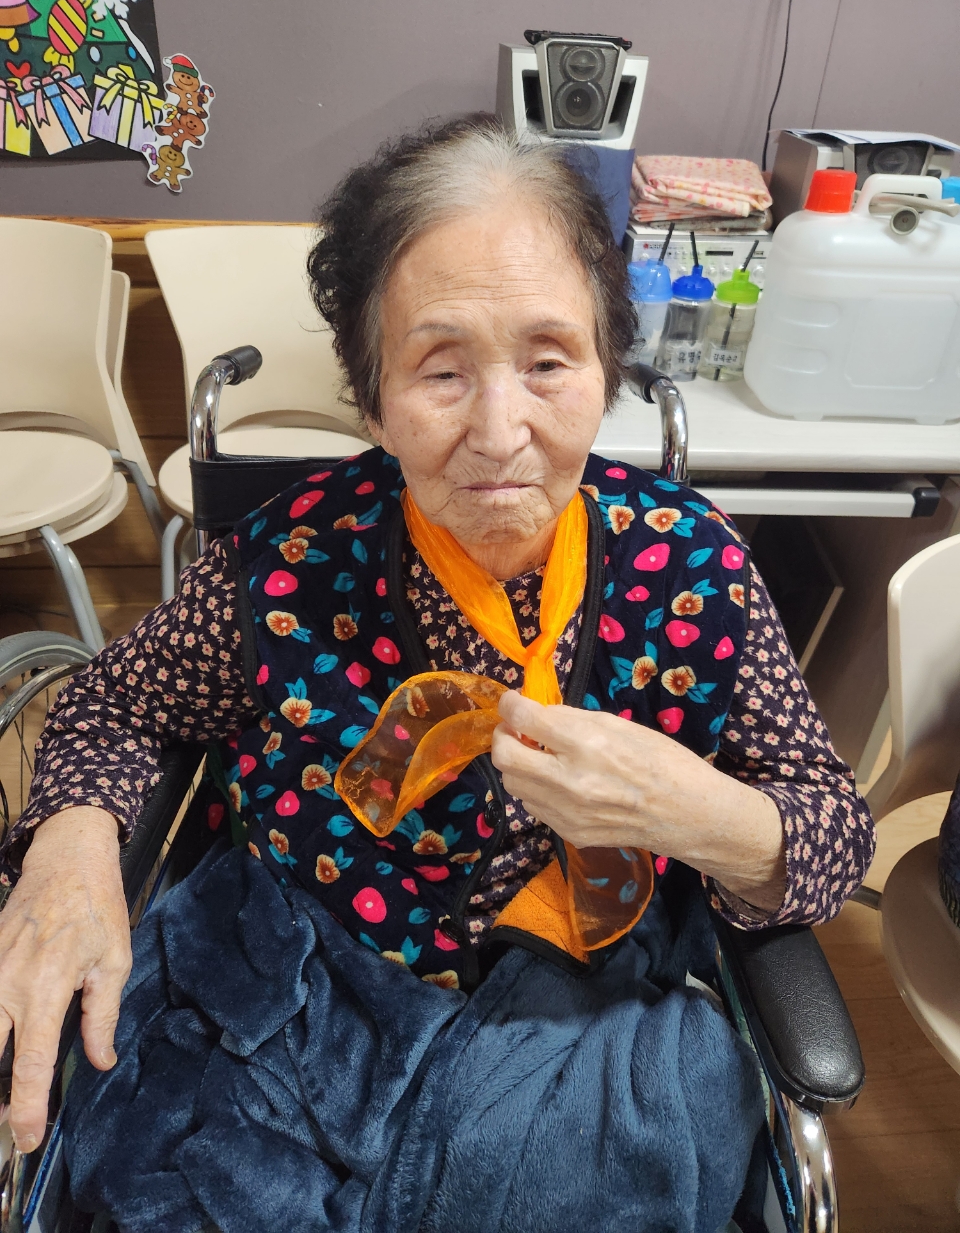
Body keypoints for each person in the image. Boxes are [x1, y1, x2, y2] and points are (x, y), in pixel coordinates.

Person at [0, 116, 875, 1232]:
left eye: (549, 361)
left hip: (584, 1009)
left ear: (605, 369)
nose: (501, 433)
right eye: (442, 370)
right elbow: (116, 704)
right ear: (372, 400)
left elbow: (831, 826)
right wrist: (71, 849)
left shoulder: (693, 567)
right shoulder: (292, 557)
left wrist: (706, 817)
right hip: (293, 992)